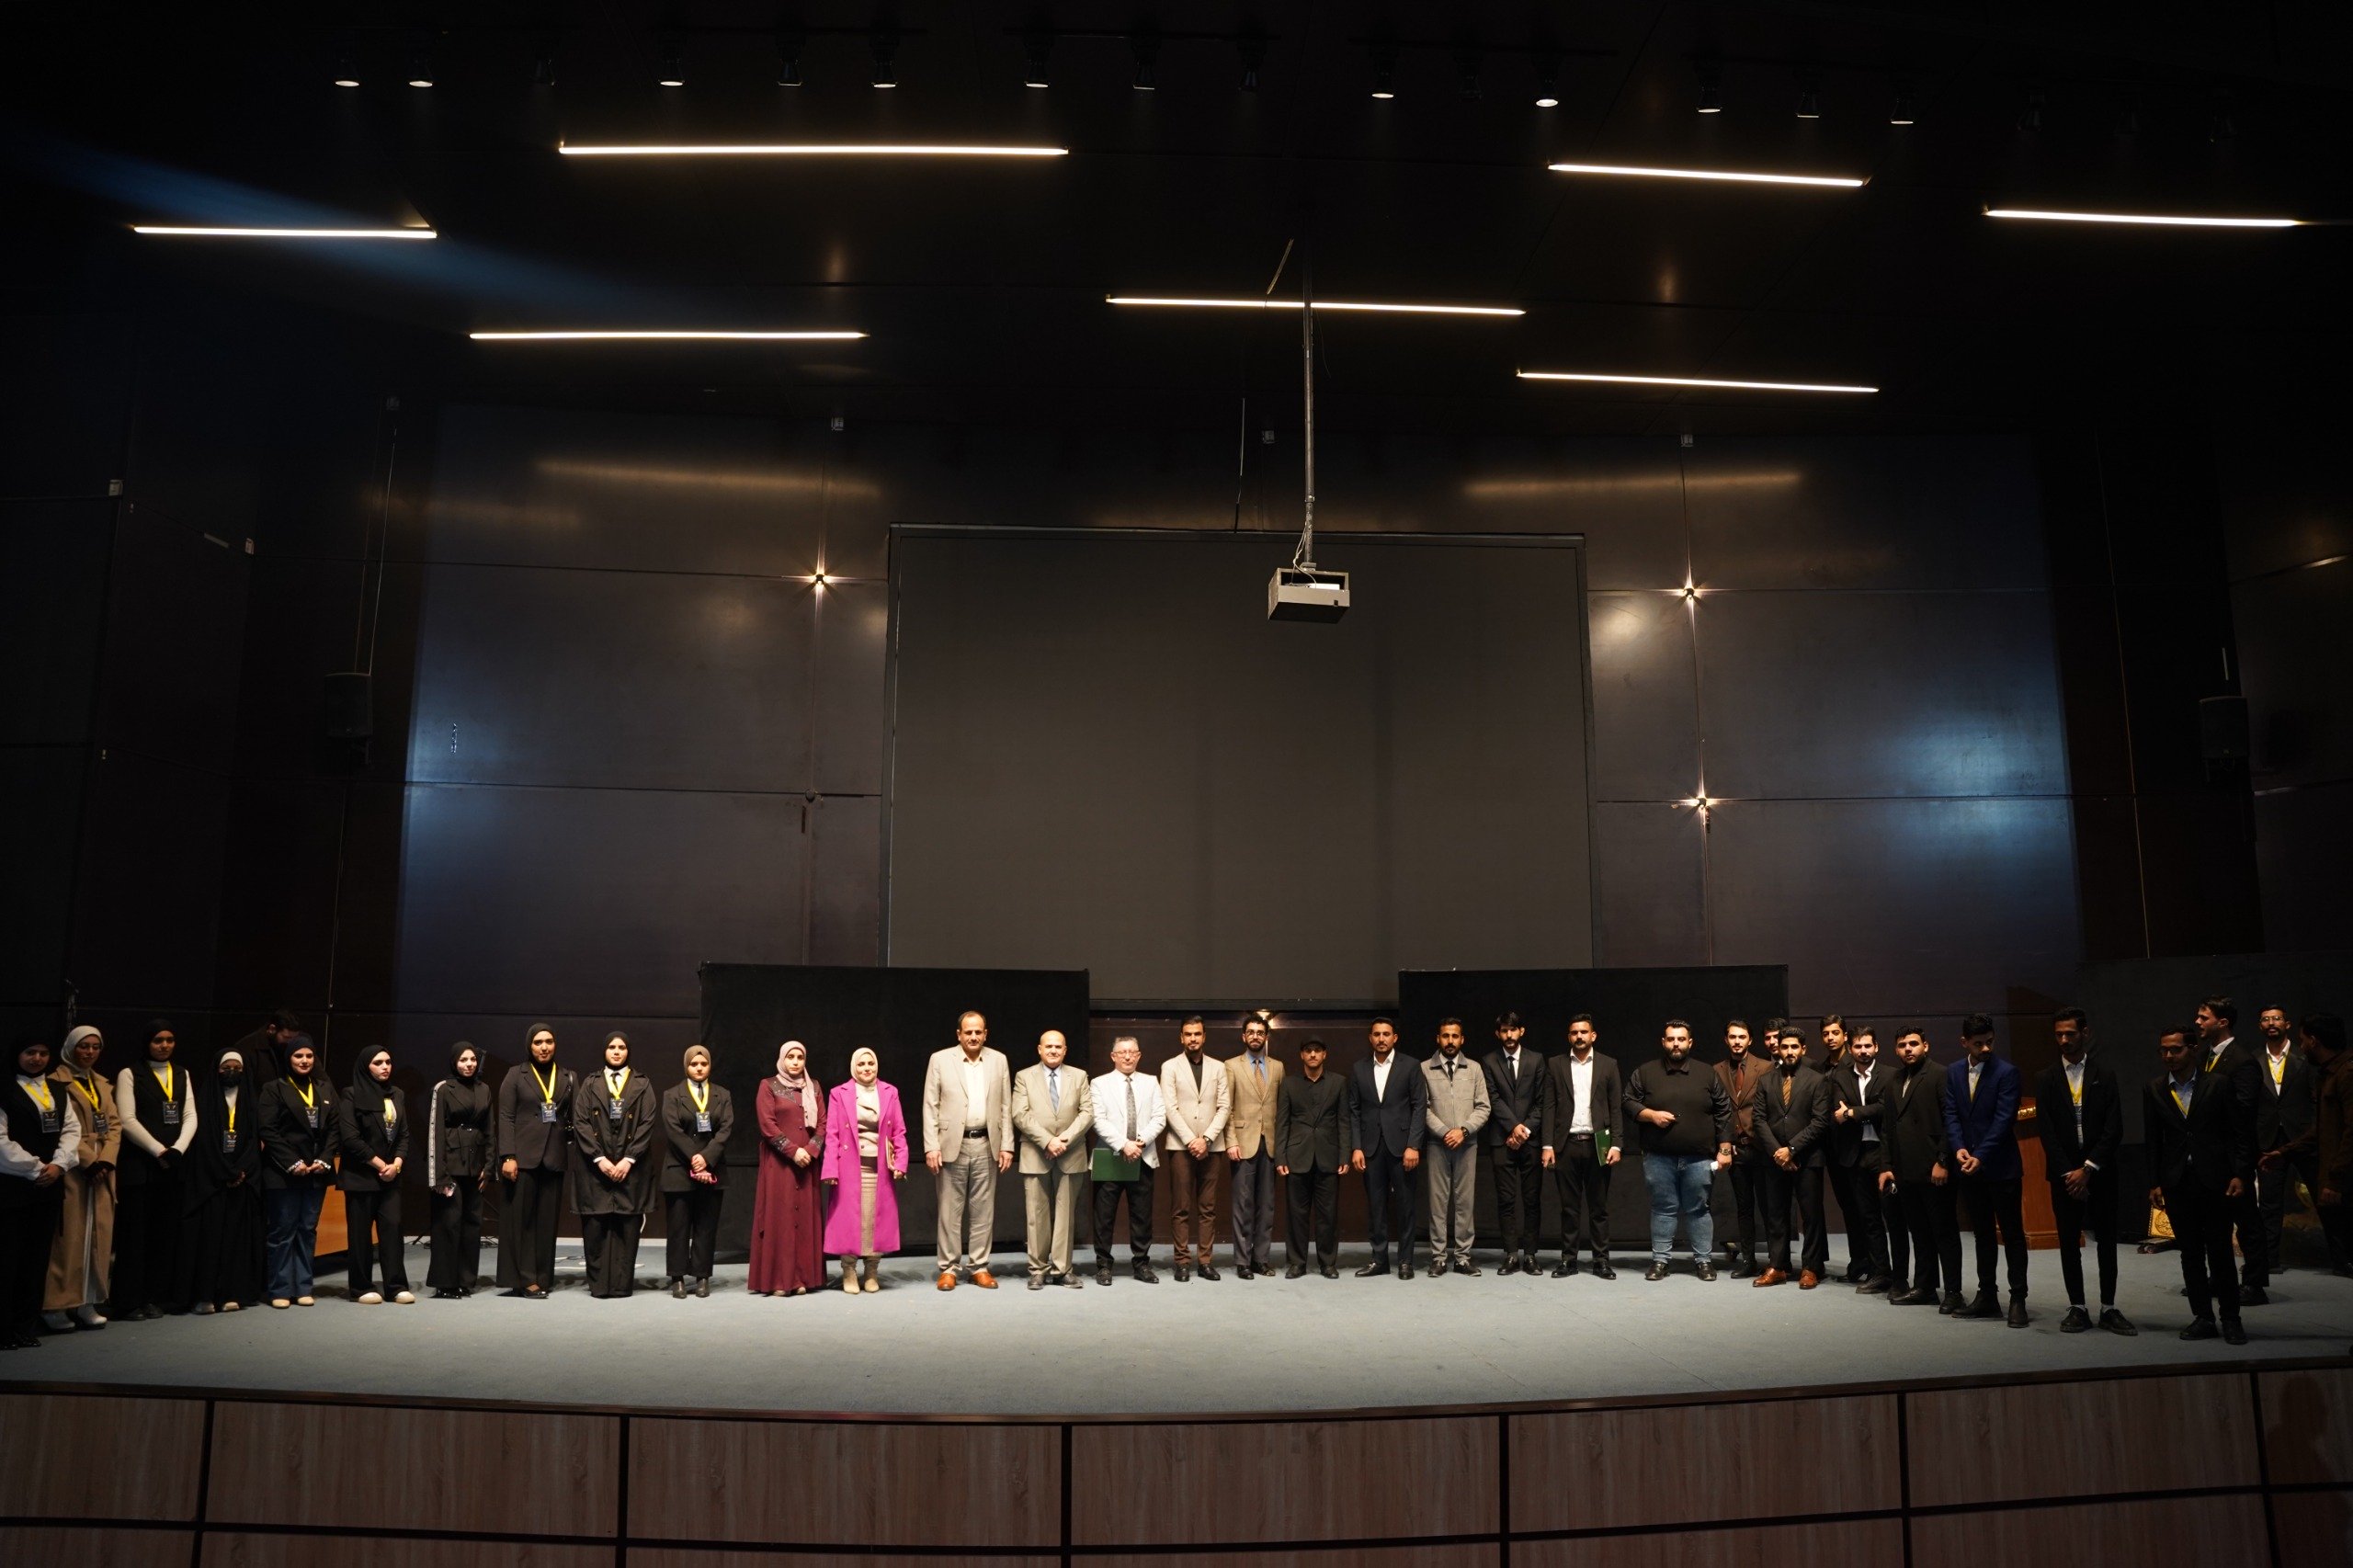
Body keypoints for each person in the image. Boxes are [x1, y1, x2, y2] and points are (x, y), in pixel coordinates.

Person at [2146, 1026, 2253, 1345]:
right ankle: (2203, 1317)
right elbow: (2153, 1140)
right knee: (2189, 1253)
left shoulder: (2218, 1084)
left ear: (2192, 1049)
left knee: (2220, 1251)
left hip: (2215, 1179)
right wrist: (2154, 1181)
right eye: (2164, 1050)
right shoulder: (2154, 1088)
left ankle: (2231, 1319)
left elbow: (2238, 1133)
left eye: (2175, 1049)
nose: (2169, 1056)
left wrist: (2240, 1174)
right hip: (2177, 1181)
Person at [2030, 1008, 2131, 1335]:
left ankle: (2109, 1307)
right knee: (2068, 1241)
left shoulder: (2105, 1074)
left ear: (2084, 1033)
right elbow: (2047, 1132)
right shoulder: (2045, 1078)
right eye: (2059, 1034)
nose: (2064, 1040)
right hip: (2064, 1176)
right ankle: (2078, 1307)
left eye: (2070, 1034)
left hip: (2100, 1171)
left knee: (2106, 1241)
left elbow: (2114, 1128)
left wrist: (2087, 1169)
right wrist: (2069, 1173)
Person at [1625, 1020, 1733, 1280]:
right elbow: (1628, 1101)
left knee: (1699, 1209)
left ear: (1690, 1043)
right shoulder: (1645, 1072)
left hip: (1699, 1158)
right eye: (1671, 1039)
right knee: (1663, 1208)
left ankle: (1704, 1261)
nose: (1676, 1044)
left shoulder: (1707, 1073)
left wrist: (1725, 1148)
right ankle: (1660, 1261)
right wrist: (1650, 1115)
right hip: (1658, 1157)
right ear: (1663, 1042)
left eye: (1681, 1039)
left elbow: (1723, 1110)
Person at [1943, 1016, 2028, 1325]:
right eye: (1978, 1043)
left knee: (2012, 1235)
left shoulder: (2007, 1072)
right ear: (1964, 1042)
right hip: (1969, 1167)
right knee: (1982, 1235)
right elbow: (1951, 1114)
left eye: (1989, 1041)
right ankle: (1987, 1296)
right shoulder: (1953, 1071)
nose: (1985, 1048)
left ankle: (2018, 1298)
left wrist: (1980, 1155)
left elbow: (2004, 1120)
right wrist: (1958, 1148)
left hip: (2002, 1167)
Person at [920, 1010, 1014, 1290]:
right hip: (952, 1144)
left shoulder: (998, 1060)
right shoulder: (940, 1059)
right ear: (959, 1034)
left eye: (978, 1032)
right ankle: (949, 1268)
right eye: (968, 1032)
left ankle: (979, 1266)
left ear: (985, 1034)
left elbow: (1006, 1105)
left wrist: (1007, 1145)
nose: (973, 1036)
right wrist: (931, 1146)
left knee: (983, 1210)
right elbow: (930, 1105)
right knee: (949, 1211)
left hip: (987, 1142)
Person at [111, 1018, 197, 1319]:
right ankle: (128, 1301)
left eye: (169, 1040)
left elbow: (190, 1116)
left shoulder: (182, 1073)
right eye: (158, 1040)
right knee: (135, 1235)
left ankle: (153, 1297)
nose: (164, 1046)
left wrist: (177, 1150)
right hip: (139, 1166)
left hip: (172, 1167)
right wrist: (158, 1150)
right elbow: (127, 1119)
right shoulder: (129, 1073)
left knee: (163, 1235)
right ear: (147, 1043)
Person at [2, 1039, 78, 1349]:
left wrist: (59, 1165)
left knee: (36, 1261)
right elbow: (1, 1141)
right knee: (8, 1260)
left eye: (44, 1053)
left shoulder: (58, 1090)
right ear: (17, 1055)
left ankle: (24, 1326)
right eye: (30, 1053)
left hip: (49, 1189)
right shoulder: (4, 1089)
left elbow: (72, 1131)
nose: (37, 1058)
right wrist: (36, 1169)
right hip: (13, 1189)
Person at [1540, 1013, 1628, 1279]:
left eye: (1583, 1032)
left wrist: (1617, 1144)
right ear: (1569, 1037)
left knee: (1599, 1208)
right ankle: (1569, 1260)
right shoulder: (1555, 1064)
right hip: (1566, 1144)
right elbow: (1549, 1106)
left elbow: (1615, 1107)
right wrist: (1547, 1145)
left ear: (1593, 1035)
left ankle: (1601, 1261)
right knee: (1569, 1208)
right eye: (1574, 1032)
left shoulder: (1608, 1064)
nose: (1579, 1036)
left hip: (1598, 1143)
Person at [42, 1025, 118, 1332]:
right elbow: (64, 1127)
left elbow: (114, 1125)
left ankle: (88, 1301)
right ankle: (57, 1305)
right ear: (70, 1047)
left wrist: (107, 1159)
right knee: (69, 1239)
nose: (89, 1052)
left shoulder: (102, 1083)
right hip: (74, 1168)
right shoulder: (54, 1082)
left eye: (95, 1047)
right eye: (83, 1046)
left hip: (103, 1171)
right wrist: (89, 1161)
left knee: (98, 1237)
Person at [571, 1031, 657, 1299]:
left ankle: (621, 1286)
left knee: (626, 1229)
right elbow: (581, 1122)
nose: (617, 1051)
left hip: (630, 1168)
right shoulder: (590, 1083)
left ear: (628, 1051)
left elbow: (647, 1123)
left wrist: (629, 1159)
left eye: (621, 1047)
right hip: (596, 1168)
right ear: (605, 1051)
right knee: (595, 1228)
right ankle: (599, 1286)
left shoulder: (642, 1083)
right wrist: (600, 1159)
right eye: (612, 1047)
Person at [1881, 1028, 1961, 1311]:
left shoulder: (1940, 1074)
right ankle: (1925, 1287)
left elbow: (1951, 1121)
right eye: (1902, 1045)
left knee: (1944, 1233)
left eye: (1913, 1043)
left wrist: (1943, 1161)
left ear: (1925, 1045)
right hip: (1905, 1170)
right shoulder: (1894, 1079)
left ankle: (1953, 1292)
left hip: (1934, 1168)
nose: (1908, 1049)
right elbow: (1888, 1127)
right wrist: (1886, 1166)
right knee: (1919, 1232)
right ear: (1896, 1050)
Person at [2195, 994, 2268, 1303]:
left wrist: (2241, 1166)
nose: (2198, 1022)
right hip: (2210, 1155)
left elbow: (2244, 1114)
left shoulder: (2243, 1061)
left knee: (2247, 1220)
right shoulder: (2203, 1056)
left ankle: (2254, 1283)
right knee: (2214, 1222)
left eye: (2204, 1017)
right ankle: (2220, 1278)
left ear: (2222, 1022)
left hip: (2235, 1154)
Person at [494, 1023, 575, 1298]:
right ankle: (524, 1279)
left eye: (549, 1042)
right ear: (529, 1045)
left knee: (547, 1223)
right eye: (538, 1042)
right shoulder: (516, 1074)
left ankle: (542, 1277)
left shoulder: (568, 1076)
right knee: (522, 1222)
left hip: (553, 1158)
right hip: (522, 1159)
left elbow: (572, 1118)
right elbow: (505, 1116)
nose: (544, 1047)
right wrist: (508, 1155)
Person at [182, 1048, 264, 1314]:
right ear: (216, 1069)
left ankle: (232, 1292)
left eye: (237, 1068)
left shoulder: (250, 1099)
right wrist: (224, 1172)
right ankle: (205, 1295)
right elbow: (203, 1140)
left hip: (242, 1180)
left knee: (235, 1240)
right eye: (226, 1067)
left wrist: (240, 1171)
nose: (232, 1072)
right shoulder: (205, 1099)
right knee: (210, 1240)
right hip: (212, 1182)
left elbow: (254, 1139)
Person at [820, 1048, 908, 1293]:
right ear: (854, 1067)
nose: (867, 1068)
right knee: (850, 1221)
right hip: (849, 1167)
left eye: (871, 1063)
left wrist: (901, 1162)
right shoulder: (839, 1093)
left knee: (874, 1221)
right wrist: (830, 1169)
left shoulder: (890, 1092)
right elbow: (832, 1134)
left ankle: (871, 1272)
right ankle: (849, 1270)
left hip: (880, 1168)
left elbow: (899, 1131)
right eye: (861, 1064)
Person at [2269, 1015, 2351, 1276]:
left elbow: (2351, 1132)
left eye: (2303, 1041)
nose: (2302, 1047)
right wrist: (2283, 1151)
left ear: (2314, 1041)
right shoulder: (2328, 1074)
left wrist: (2335, 1180)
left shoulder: (2346, 1073)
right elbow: (2321, 1129)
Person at [1752, 1027, 1833, 1289]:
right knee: (1776, 1214)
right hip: (1775, 1159)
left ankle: (1811, 1268)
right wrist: (1778, 1151)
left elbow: (1820, 1122)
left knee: (1811, 1215)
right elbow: (1759, 1119)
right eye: (1785, 1047)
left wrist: (1792, 1149)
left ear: (1803, 1049)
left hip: (1808, 1159)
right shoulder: (1766, 1080)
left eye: (1794, 1047)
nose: (1789, 1052)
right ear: (1778, 1049)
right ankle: (1777, 1266)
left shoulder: (1817, 1080)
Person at [1011, 1030, 1093, 1290]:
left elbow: (1087, 1113)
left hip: (1071, 1152)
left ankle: (1062, 1269)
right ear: (1040, 1049)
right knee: (1036, 1214)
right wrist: (1047, 1141)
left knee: (1066, 1214)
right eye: (1049, 1047)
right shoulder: (1024, 1076)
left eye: (1058, 1047)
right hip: (1036, 1152)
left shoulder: (1079, 1076)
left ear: (1065, 1050)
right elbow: (1019, 1114)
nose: (1054, 1051)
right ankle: (1038, 1270)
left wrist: (1063, 1141)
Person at [258, 1035, 335, 1308]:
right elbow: (268, 1129)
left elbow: (335, 1129)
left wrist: (324, 1160)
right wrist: (292, 1162)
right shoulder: (274, 1088)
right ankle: (279, 1289)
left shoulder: (324, 1088)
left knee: (307, 1230)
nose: (304, 1061)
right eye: (298, 1056)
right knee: (282, 1231)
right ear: (288, 1059)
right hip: (284, 1173)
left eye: (309, 1056)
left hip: (316, 1172)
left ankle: (303, 1286)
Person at [1349, 1017, 1426, 1279]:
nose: (1381, 1039)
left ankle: (1405, 1261)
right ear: (1370, 1038)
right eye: (1376, 1034)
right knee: (1376, 1206)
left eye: (1386, 1034)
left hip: (1402, 1147)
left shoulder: (1411, 1066)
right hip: (1370, 1148)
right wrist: (1356, 1147)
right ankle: (1379, 1259)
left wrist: (1413, 1145)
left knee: (1405, 1206)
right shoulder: (1358, 1068)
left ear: (1395, 1037)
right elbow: (1354, 1110)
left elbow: (1419, 1106)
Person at [337, 1047, 414, 1305]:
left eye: (388, 1062)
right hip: (361, 1176)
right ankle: (361, 1287)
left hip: (391, 1175)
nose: (385, 1067)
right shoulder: (351, 1094)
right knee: (360, 1234)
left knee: (392, 1229)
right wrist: (381, 1165)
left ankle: (396, 1286)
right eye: (378, 1062)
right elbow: (351, 1138)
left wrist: (397, 1164)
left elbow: (403, 1135)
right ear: (365, 1066)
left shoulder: (397, 1094)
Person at [750, 1040, 826, 1297]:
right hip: (780, 1164)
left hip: (807, 1164)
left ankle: (803, 1278)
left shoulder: (814, 1086)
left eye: (800, 1057)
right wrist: (794, 1151)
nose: (795, 1062)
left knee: (804, 1220)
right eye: (790, 1057)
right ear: (782, 1059)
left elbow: (823, 1124)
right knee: (779, 1219)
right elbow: (767, 1125)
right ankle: (778, 1280)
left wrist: (811, 1150)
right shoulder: (768, 1085)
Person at [1159, 1016, 1231, 1282]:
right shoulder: (1170, 1066)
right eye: (1188, 1034)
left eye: (1197, 1034)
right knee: (1181, 1207)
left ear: (1204, 1036)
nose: (1193, 1039)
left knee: (1208, 1207)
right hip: (1181, 1145)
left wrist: (1207, 1139)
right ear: (1181, 1037)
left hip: (1212, 1146)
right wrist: (1192, 1140)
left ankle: (1205, 1261)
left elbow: (1224, 1106)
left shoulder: (1219, 1067)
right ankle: (1182, 1261)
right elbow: (1169, 1107)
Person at [660, 1045, 734, 1299]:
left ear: (709, 1066)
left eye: (703, 1064)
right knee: (678, 1227)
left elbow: (725, 1129)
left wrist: (706, 1158)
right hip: (679, 1169)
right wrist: (695, 1157)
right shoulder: (672, 1095)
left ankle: (702, 1276)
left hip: (712, 1168)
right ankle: (678, 1277)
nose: (699, 1068)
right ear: (686, 1067)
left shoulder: (722, 1094)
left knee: (706, 1226)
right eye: (694, 1064)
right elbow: (673, 1130)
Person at [1091, 1036, 1165, 1285]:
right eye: (1122, 1052)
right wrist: (1124, 1144)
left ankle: (1142, 1264)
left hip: (1142, 1156)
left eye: (1132, 1052)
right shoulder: (1099, 1083)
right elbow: (1098, 1120)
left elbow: (1159, 1117)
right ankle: (1103, 1266)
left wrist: (1139, 1142)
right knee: (1104, 1216)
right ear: (1113, 1056)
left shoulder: (1151, 1082)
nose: (1127, 1056)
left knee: (1142, 1215)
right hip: (1110, 1157)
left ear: (1139, 1055)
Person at [1275, 1038, 1350, 1278]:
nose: (1313, 1055)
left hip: (1329, 1156)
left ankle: (1327, 1263)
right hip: (1297, 1157)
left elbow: (1344, 1122)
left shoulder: (1339, 1082)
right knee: (1296, 1215)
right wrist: (1280, 1157)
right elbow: (1282, 1123)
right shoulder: (1289, 1084)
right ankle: (1297, 1262)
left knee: (1328, 1215)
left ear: (1324, 1054)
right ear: (1302, 1055)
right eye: (1308, 1051)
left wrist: (1345, 1155)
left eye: (1317, 1051)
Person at [1420, 1018, 1491, 1276]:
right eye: (1445, 1036)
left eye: (1455, 1036)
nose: (1450, 1041)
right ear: (1438, 1039)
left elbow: (1484, 1106)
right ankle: (1438, 1258)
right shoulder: (1424, 1069)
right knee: (1438, 1202)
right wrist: (1444, 1132)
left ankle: (1462, 1258)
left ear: (1462, 1040)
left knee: (1465, 1202)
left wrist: (1463, 1131)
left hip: (1467, 1143)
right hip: (1437, 1144)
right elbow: (1422, 1107)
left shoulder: (1474, 1068)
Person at [1825, 1025, 1893, 1292]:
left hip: (1883, 1153)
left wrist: (1854, 1113)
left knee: (1893, 1218)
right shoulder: (1840, 1077)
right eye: (1858, 1046)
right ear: (1850, 1049)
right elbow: (1838, 1111)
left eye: (1867, 1046)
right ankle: (1880, 1272)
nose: (1863, 1051)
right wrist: (1857, 1112)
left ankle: (1899, 1276)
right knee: (1868, 1218)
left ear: (1876, 1047)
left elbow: (1886, 1109)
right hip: (1855, 1154)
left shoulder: (1889, 1075)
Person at [2252, 1004, 2317, 1276]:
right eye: (2266, 1019)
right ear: (2260, 1026)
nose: (2271, 1023)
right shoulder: (2253, 1059)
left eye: (2277, 1018)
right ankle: (2270, 1260)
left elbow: (2315, 1099)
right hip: (2268, 1137)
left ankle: (2343, 1259)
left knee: (2322, 1195)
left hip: (2303, 1136)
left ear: (2287, 1024)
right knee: (2269, 1201)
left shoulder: (2306, 1057)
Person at [1482, 1012, 1547, 1276]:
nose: (1509, 1035)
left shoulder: (1536, 1059)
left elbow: (1542, 1101)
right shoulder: (1489, 1061)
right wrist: (1513, 1127)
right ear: (1498, 1034)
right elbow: (1493, 1098)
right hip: (1502, 1140)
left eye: (1513, 1030)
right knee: (1506, 1200)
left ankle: (1530, 1255)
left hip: (1530, 1140)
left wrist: (1524, 1130)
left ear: (1522, 1031)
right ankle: (1510, 1254)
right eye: (1504, 1031)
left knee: (1532, 1200)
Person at [425, 1042, 491, 1298]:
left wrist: (490, 1165)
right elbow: (435, 1131)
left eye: (472, 1059)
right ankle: (445, 1282)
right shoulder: (443, 1088)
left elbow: (490, 1129)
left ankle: (465, 1280)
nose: (469, 1064)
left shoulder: (484, 1089)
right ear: (455, 1063)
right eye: (463, 1060)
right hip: (450, 1166)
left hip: (475, 1165)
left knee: (472, 1224)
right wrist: (439, 1175)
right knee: (448, 1224)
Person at [1224, 1015, 1285, 1279]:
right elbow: (1226, 1108)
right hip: (1242, 1143)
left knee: (1267, 1206)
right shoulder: (1231, 1066)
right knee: (1243, 1205)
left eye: (1260, 1032)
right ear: (1243, 1036)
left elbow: (1281, 1109)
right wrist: (1231, 1141)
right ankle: (1242, 1261)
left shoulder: (1278, 1067)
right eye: (1251, 1032)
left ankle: (1261, 1259)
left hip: (1269, 1144)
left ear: (1267, 1037)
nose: (1255, 1036)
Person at [1712, 1019, 1771, 1278]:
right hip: (1735, 1150)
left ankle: (1777, 1261)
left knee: (1769, 1207)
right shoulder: (1716, 1070)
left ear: (1750, 1040)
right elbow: (1718, 1110)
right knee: (1744, 1207)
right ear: (1726, 1040)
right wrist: (1725, 1143)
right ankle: (1748, 1260)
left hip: (1761, 1148)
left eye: (1742, 1037)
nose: (1737, 1041)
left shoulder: (1766, 1067)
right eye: (1733, 1037)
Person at [230, 1009, 303, 1084]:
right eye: (286, 1037)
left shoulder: (301, 1043)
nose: (291, 1042)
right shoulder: (247, 1048)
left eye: (294, 1038)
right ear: (272, 1029)